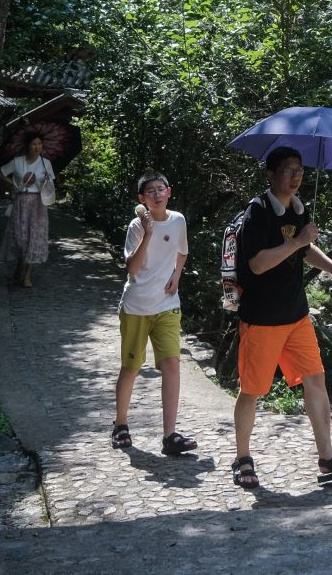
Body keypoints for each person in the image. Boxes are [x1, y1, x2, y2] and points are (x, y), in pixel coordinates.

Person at [231, 145, 332, 491]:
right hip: (262, 318)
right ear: (271, 175)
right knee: (252, 391)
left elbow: (306, 249)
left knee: (315, 380)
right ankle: (242, 458)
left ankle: (327, 460)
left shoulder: (298, 208)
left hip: (296, 315)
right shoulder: (257, 213)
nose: (297, 176)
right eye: (289, 170)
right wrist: (298, 243)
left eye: (301, 170)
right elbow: (258, 264)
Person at [111, 172, 197, 457]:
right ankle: (121, 424)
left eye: (161, 189)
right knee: (131, 367)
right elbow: (132, 268)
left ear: (169, 192)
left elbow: (182, 251)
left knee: (172, 363)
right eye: (151, 191)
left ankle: (170, 435)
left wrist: (177, 275)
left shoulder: (178, 220)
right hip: (137, 306)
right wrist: (148, 233)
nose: (157, 194)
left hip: (167, 305)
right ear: (142, 199)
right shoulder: (137, 226)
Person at [0, 131, 55, 287]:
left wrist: (47, 182)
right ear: (27, 146)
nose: (37, 147)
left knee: (34, 238)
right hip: (20, 201)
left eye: (39, 144)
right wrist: (13, 184)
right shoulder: (17, 162)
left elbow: (51, 185)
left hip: (38, 203)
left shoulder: (46, 163)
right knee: (20, 238)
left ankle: (27, 276)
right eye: (33, 144)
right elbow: (1, 172)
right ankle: (20, 265)